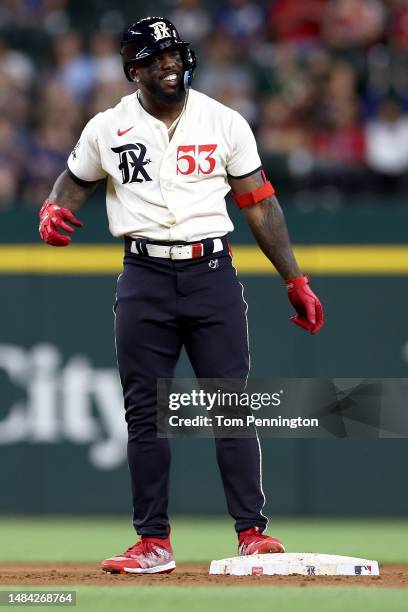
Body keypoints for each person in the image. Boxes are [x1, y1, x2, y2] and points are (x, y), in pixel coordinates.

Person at [38, 17, 324, 575]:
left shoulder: (223, 120)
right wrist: (53, 207)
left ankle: (251, 533)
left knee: (231, 404)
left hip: (210, 270)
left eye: (174, 54)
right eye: (155, 58)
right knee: (145, 413)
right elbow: (74, 179)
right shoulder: (107, 127)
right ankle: (153, 543)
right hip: (143, 275)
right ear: (134, 70)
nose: (169, 64)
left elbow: (260, 203)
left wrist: (294, 278)